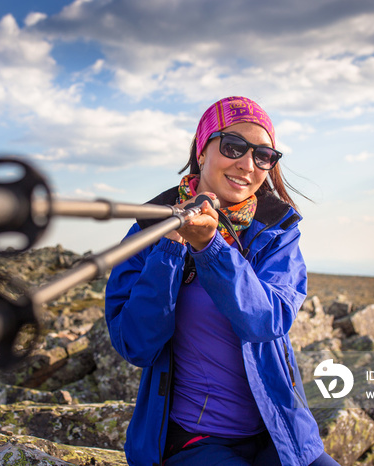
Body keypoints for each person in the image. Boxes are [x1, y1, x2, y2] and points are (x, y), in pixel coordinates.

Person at [105, 96, 340, 466]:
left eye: (263, 155)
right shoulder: (149, 229)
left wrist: (211, 248)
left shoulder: (278, 232)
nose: (247, 164)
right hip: (194, 442)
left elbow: (269, 320)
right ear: (202, 151)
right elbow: (137, 344)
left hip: (279, 434)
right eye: (233, 147)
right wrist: (169, 250)